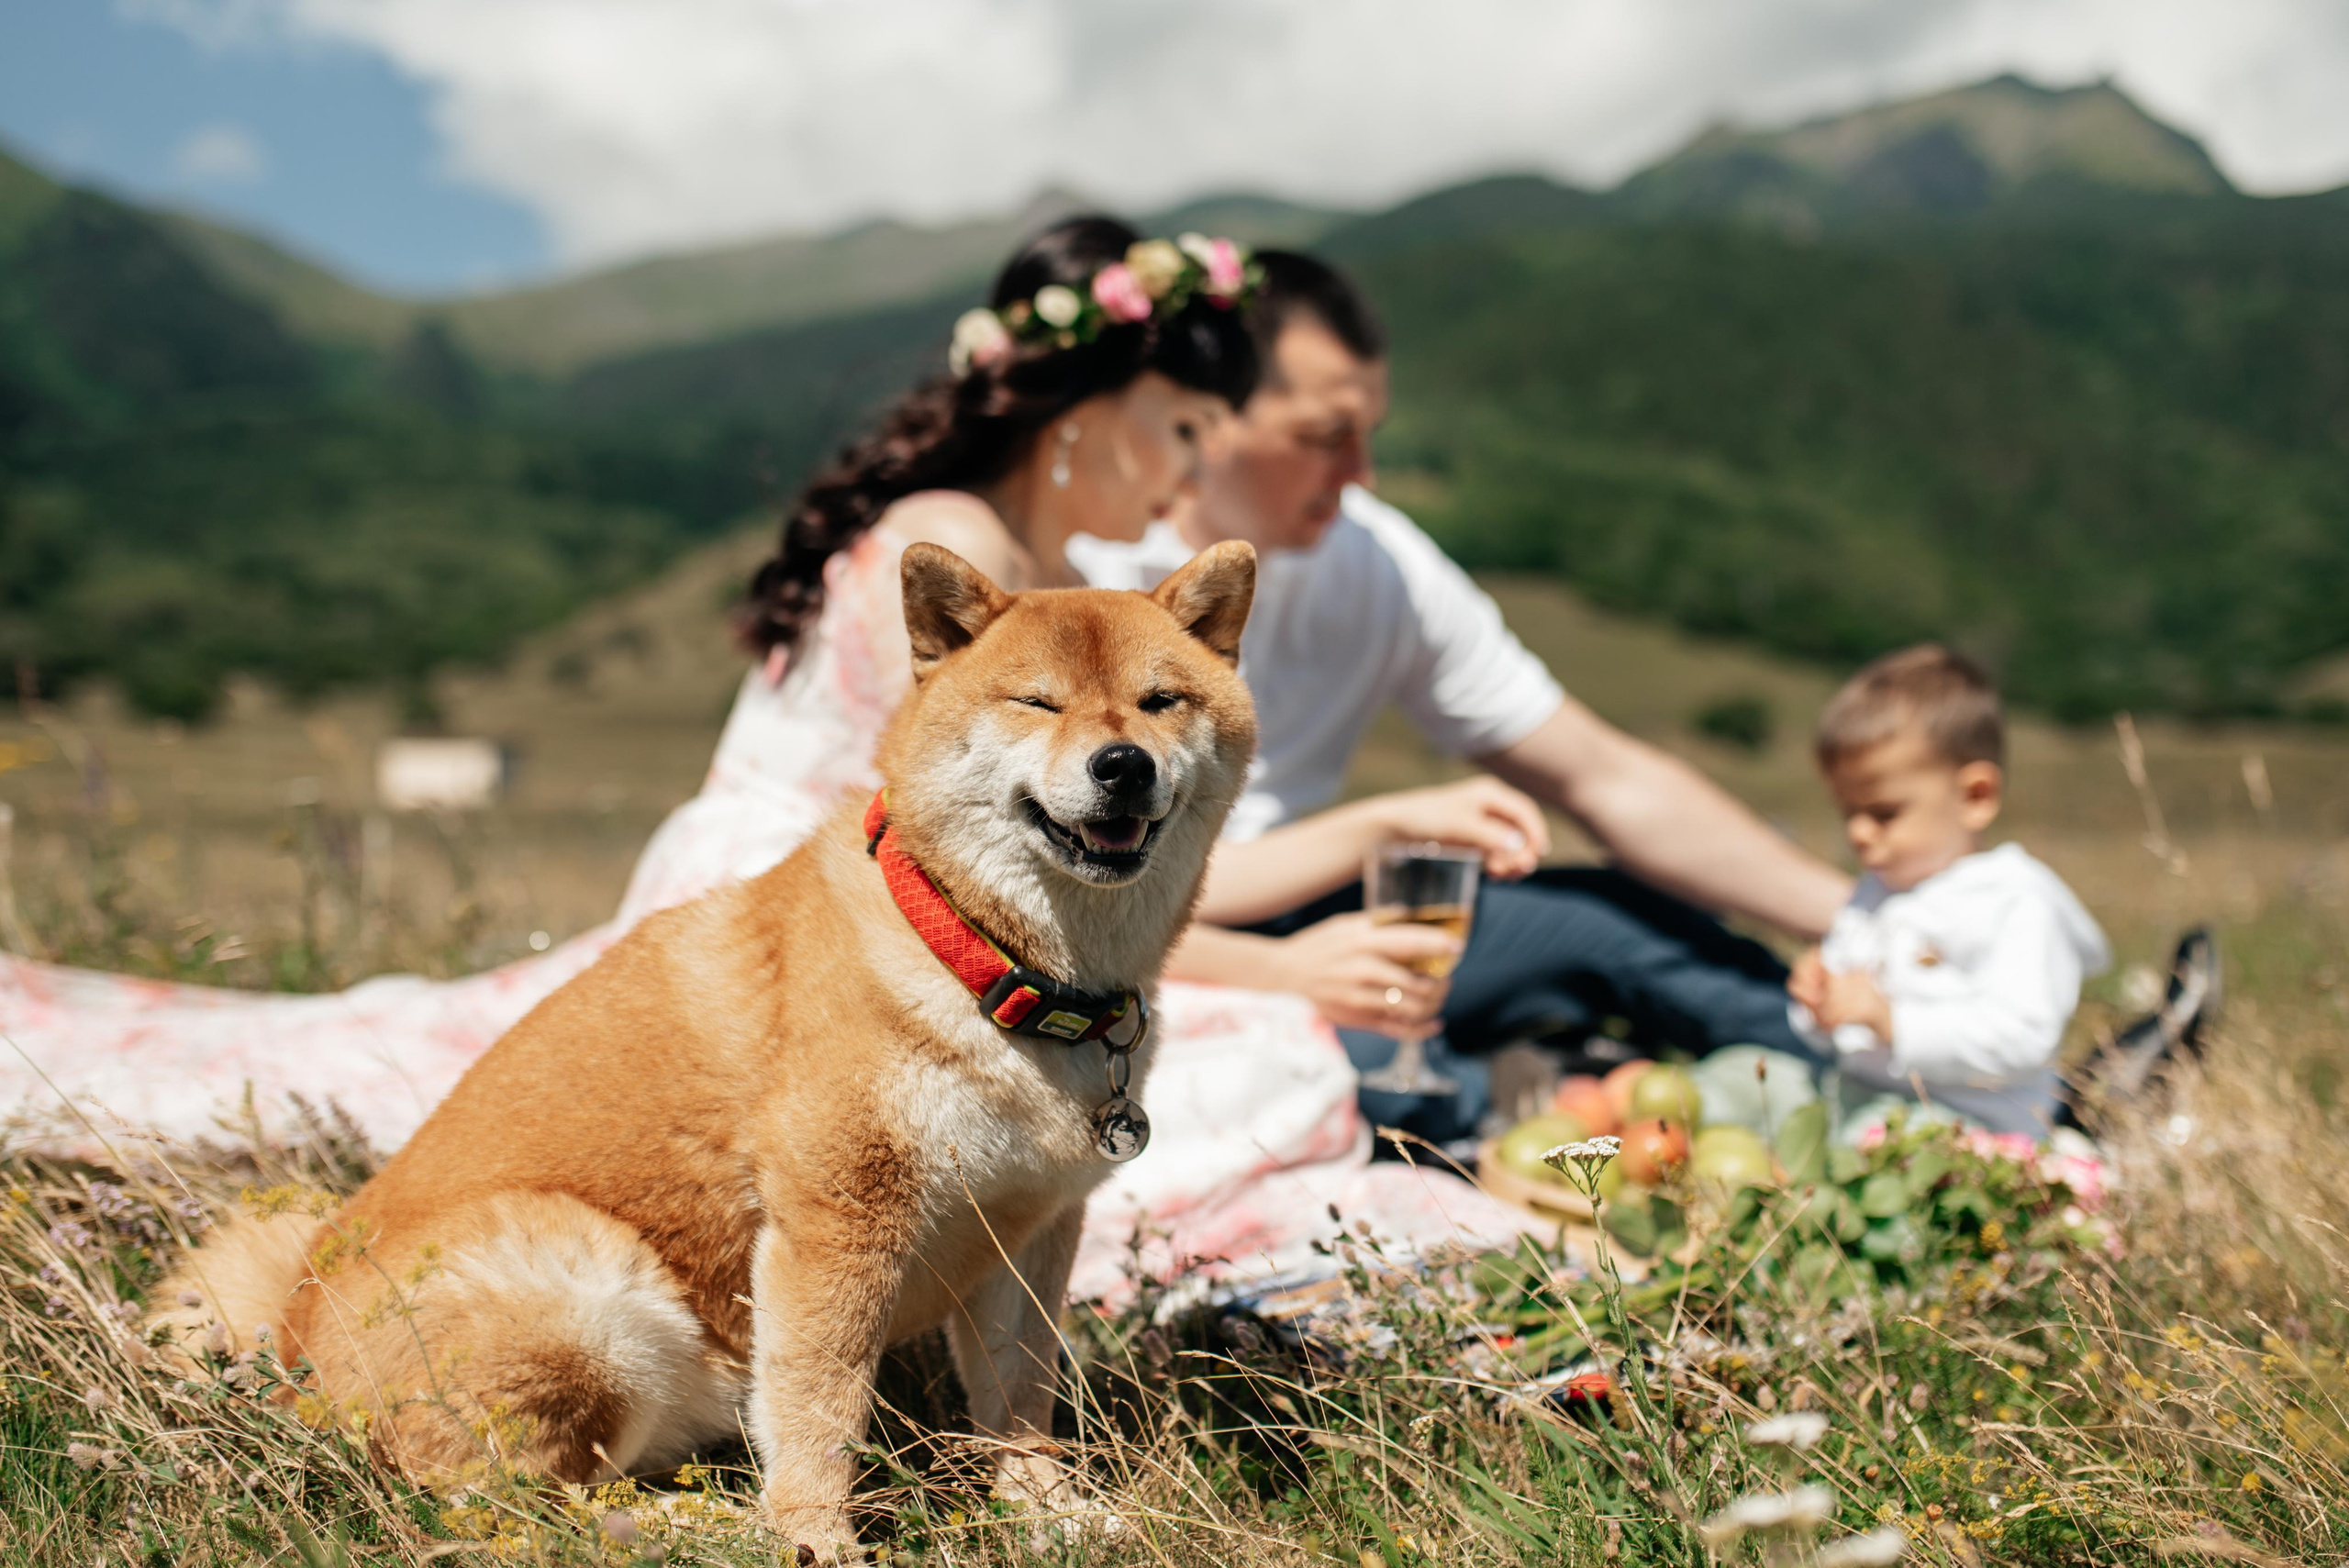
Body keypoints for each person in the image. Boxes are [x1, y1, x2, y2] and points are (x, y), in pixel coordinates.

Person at [1, 217, 1534, 1300]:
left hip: (917, 921)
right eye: (1183, 423)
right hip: (812, 915)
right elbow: (965, 874)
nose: (1194, 465)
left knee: (1215, 1057)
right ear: (1093, 408)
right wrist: (1292, 955)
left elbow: (1067, 869)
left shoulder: (1030, 569)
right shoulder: (970, 561)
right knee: (1257, 1056)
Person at [1068, 250, 1854, 1142]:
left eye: (1368, 433)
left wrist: (1871, 924)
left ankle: (1886, 1095)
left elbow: (1603, 776)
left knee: (1616, 923)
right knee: (1342, 1070)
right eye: (1325, 436)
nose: (1360, 470)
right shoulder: (1081, 582)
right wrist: (1282, 964)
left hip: (1331, 914)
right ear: (1200, 420)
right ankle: (1541, 1114)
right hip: (1152, 959)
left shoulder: (1375, 562)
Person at [1785, 644, 2110, 1137]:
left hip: (1971, 1123)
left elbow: (2022, 1040)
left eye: (1884, 812)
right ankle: (1627, 1151)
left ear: (1975, 796)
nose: (1858, 832)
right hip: (1859, 1096)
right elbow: (1843, 1031)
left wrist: (1893, 1021)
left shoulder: (2015, 900)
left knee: (1852, 1147)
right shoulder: (1875, 891)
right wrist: (1818, 1005)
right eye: (1847, 812)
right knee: (1739, 1075)